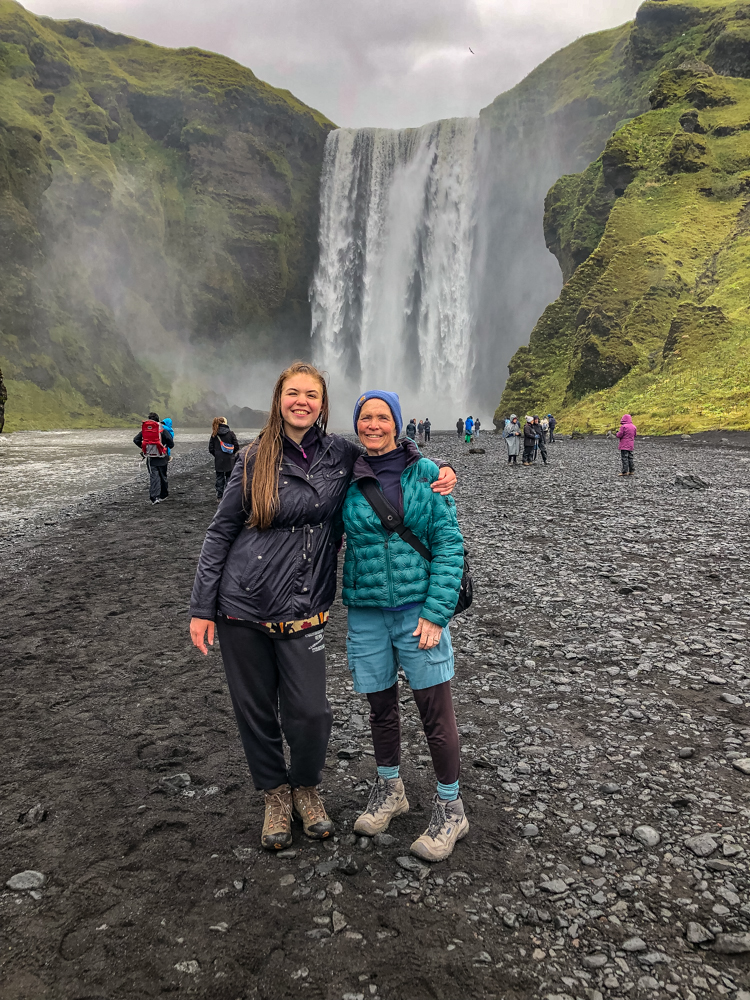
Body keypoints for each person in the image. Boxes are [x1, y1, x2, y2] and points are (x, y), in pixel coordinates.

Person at [188, 363, 457, 852]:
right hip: (241, 604)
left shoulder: (342, 455)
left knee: (311, 713)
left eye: (312, 394)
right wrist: (201, 607)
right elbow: (220, 532)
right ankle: (276, 796)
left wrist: (436, 467)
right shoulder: (252, 459)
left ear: (323, 404)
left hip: (303, 606)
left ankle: (307, 787)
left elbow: (393, 453)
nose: (302, 401)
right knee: (255, 712)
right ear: (279, 399)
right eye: (294, 393)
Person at [344, 391, 468, 862]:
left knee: (435, 712)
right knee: (380, 707)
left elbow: (450, 547)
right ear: (356, 424)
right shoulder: (347, 478)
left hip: (418, 609)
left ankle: (450, 806)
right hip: (366, 611)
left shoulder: (428, 475)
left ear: (397, 423)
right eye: (365, 417)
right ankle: (391, 789)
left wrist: (436, 614)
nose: (373, 425)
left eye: (382, 417)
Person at [134, 412, 174, 505]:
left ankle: (154, 497)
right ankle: (163, 495)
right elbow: (171, 444)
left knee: (154, 477)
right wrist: (164, 447)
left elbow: (136, 440)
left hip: (151, 458)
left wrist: (144, 448)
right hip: (163, 457)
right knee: (163, 476)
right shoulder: (163, 430)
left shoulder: (145, 430)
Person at [209, 417, 240, 502]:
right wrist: (232, 454)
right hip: (230, 459)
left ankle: (219, 496)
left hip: (219, 459)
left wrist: (217, 454)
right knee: (229, 477)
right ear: (225, 423)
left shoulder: (214, 434)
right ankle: (228, 495)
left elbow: (210, 448)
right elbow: (236, 446)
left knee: (219, 478)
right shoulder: (231, 433)